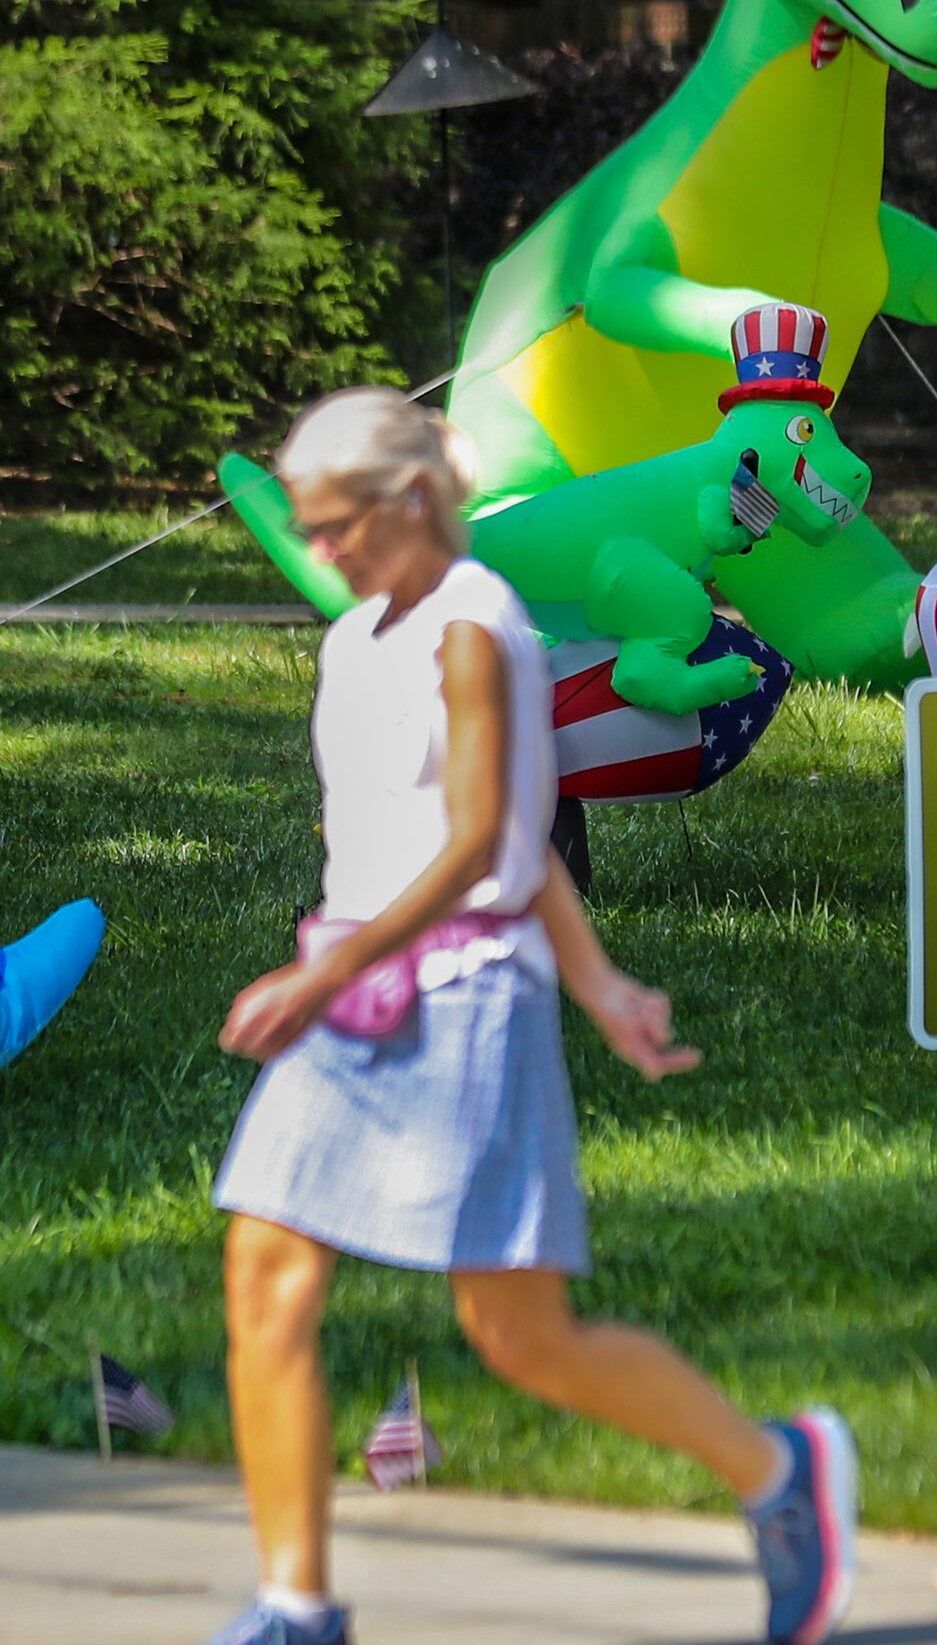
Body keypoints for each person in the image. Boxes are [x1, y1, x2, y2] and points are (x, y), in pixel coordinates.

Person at [203, 388, 856, 1645]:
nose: (320, 551)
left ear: (406, 504)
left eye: (336, 525)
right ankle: (296, 1606)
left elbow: (477, 848)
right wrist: (603, 983)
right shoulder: (360, 641)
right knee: (265, 1276)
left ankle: (778, 1472)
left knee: (522, 1338)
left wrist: (329, 981)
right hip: (362, 984)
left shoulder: (473, 626)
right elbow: (513, 833)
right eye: (309, 527)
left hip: (458, 1004)